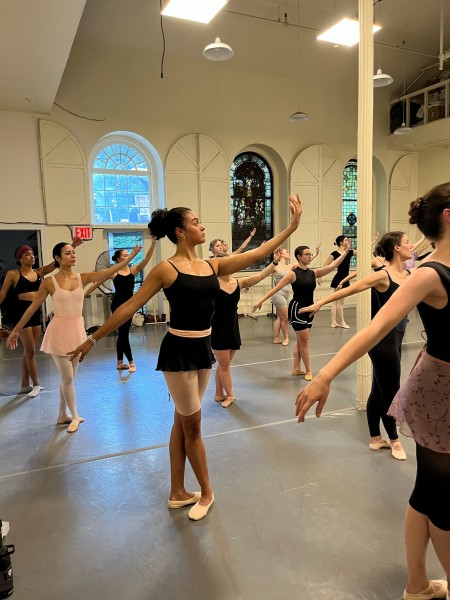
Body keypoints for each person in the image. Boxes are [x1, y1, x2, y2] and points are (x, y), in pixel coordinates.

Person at [67, 196, 302, 521]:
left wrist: (291, 226)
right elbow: (128, 306)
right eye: (195, 222)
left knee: (182, 420)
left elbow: (258, 254)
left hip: (203, 349)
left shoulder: (212, 265)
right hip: (178, 351)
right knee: (193, 426)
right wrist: (93, 338)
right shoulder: (166, 269)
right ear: (180, 232)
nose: (202, 225)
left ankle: (177, 492)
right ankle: (206, 491)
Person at [296, 182, 450, 600]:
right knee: (442, 497)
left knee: (427, 491)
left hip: (433, 376)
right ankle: (380, 434)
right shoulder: (427, 274)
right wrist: (324, 374)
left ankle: (418, 584)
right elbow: (376, 326)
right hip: (440, 392)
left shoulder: (420, 263)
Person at [299, 231, 414, 459]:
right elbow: (353, 288)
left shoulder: (409, 275)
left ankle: (375, 438)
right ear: (397, 248)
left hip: (397, 338)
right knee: (390, 391)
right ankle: (394, 439)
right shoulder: (383, 276)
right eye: (408, 242)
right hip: (382, 341)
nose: (412, 245)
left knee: (378, 390)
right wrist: (319, 303)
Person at [6, 242, 141, 433]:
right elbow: (32, 308)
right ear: (58, 259)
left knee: (69, 378)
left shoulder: (83, 277)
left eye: (73, 252)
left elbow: (111, 270)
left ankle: (62, 415)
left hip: (77, 330)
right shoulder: (48, 282)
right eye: (68, 253)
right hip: (58, 332)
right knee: (68, 378)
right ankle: (75, 416)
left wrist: (131, 257)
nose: (73, 255)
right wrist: (16, 330)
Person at [252, 244, 350, 381]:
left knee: (300, 341)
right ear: (299, 257)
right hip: (297, 309)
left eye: (310, 254)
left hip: (310, 309)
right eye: (307, 254)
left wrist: (345, 253)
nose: (310, 256)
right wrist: (260, 301)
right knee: (304, 342)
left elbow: (331, 267)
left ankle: (296, 369)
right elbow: (276, 289)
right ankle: (308, 370)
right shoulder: (293, 274)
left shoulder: (313, 273)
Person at [0, 240, 80, 398]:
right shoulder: (13, 274)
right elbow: (2, 294)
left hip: (35, 314)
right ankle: (36, 384)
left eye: (31, 253)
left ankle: (24, 384)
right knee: (30, 350)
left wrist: (73, 246)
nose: (31, 256)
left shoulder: (39, 272)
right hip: (20, 315)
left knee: (28, 351)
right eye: (26, 254)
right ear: (19, 259)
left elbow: (56, 263)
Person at [212, 249, 281, 407]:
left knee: (225, 364)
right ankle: (229, 395)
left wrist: (274, 263)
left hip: (232, 325)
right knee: (224, 365)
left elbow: (258, 277)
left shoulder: (238, 282)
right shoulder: (212, 284)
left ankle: (218, 393)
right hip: (217, 326)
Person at [85, 239, 157, 372]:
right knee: (124, 333)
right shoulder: (114, 272)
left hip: (130, 305)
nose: (128, 256)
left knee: (122, 334)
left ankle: (119, 362)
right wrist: (84, 294)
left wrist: (153, 242)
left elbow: (147, 258)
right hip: (118, 304)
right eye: (125, 255)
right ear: (118, 259)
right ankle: (131, 361)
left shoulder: (133, 270)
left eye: (128, 254)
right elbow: (97, 283)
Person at [323, 235, 355, 328]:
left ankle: (334, 322)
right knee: (338, 302)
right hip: (339, 278)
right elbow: (326, 265)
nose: (348, 241)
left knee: (337, 302)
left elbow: (363, 249)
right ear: (341, 242)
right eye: (346, 240)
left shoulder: (350, 252)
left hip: (345, 278)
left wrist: (373, 241)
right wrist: (320, 277)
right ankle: (342, 322)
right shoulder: (335, 253)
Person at [271, 248, 292, 346]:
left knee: (280, 317)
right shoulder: (276, 266)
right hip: (278, 294)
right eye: (287, 251)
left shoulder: (289, 266)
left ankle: (276, 338)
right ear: (281, 254)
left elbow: (303, 263)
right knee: (285, 318)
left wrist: (316, 255)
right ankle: (286, 338)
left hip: (287, 294)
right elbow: (263, 273)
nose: (289, 253)